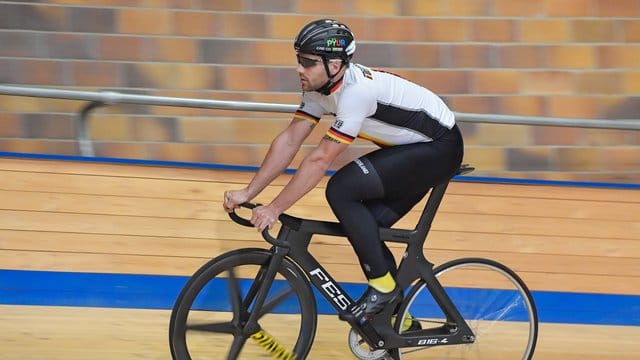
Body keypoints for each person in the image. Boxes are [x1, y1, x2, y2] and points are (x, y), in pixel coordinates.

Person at [223, 19, 464, 319]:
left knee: (342, 187)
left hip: (439, 148)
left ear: (335, 64)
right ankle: (395, 318)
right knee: (364, 228)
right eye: (299, 60)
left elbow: (319, 159)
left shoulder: (356, 93)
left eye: (308, 63)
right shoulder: (319, 89)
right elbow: (289, 140)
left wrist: (274, 208)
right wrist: (250, 191)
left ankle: (383, 288)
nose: (300, 69)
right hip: (414, 150)